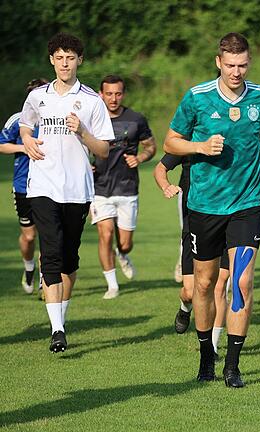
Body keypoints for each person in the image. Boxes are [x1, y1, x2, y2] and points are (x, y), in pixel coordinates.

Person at [163, 32, 260, 388]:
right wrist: (200, 146)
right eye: (230, 65)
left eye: (242, 64)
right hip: (204, 205)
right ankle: (205, 358)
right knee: (204, 283)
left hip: (248, 203)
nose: (236, 71)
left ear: (249, 62)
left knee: (242, 282)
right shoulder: (197, 98)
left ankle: (232, 366)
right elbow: (171, 141)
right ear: (218, 62)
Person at [20, 33, 114, 352]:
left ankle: (61, 316)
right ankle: (57, 330)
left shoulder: (91, 100)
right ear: (51, 60)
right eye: (59, 57)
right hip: (42, 185)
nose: (64, 63)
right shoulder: (37, 97)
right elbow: (25, 124)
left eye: (70, 57)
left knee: (69, 259)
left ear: (79, 61)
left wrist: (84, 132)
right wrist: (27, 140)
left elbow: (103, 150)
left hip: (77, 189)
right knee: (51, 252)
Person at [153, 154, 230, 359]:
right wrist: (166, 186)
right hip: (195, 225)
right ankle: (184, 307)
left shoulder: (231, 137)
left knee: (220, 285)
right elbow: (160, 168)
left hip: (229, 219)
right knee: (190, 291)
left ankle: (211, 347)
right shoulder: (188, 141)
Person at [92, 75, 156, 299]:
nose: (113, 98)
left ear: (123, 94)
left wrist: (140, 158)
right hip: (99, 188)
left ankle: (123, 254)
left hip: (127, 187)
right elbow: (79, 144)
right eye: (108, 94)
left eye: (118, 93)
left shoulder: (136, 119)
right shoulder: (93, 119)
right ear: (101, 94)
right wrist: (86, 166)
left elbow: (151, 146)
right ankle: (112, 285)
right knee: (105, 234)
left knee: (126, 243)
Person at [0, 78, 49, 295]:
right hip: (22, 186)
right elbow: (1, 145)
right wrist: (23, 148)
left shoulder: (53, 120)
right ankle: (29, 268)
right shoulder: (17, 120)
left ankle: (44, 279)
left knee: (47, 233)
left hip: (49, 185)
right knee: (29, 236)